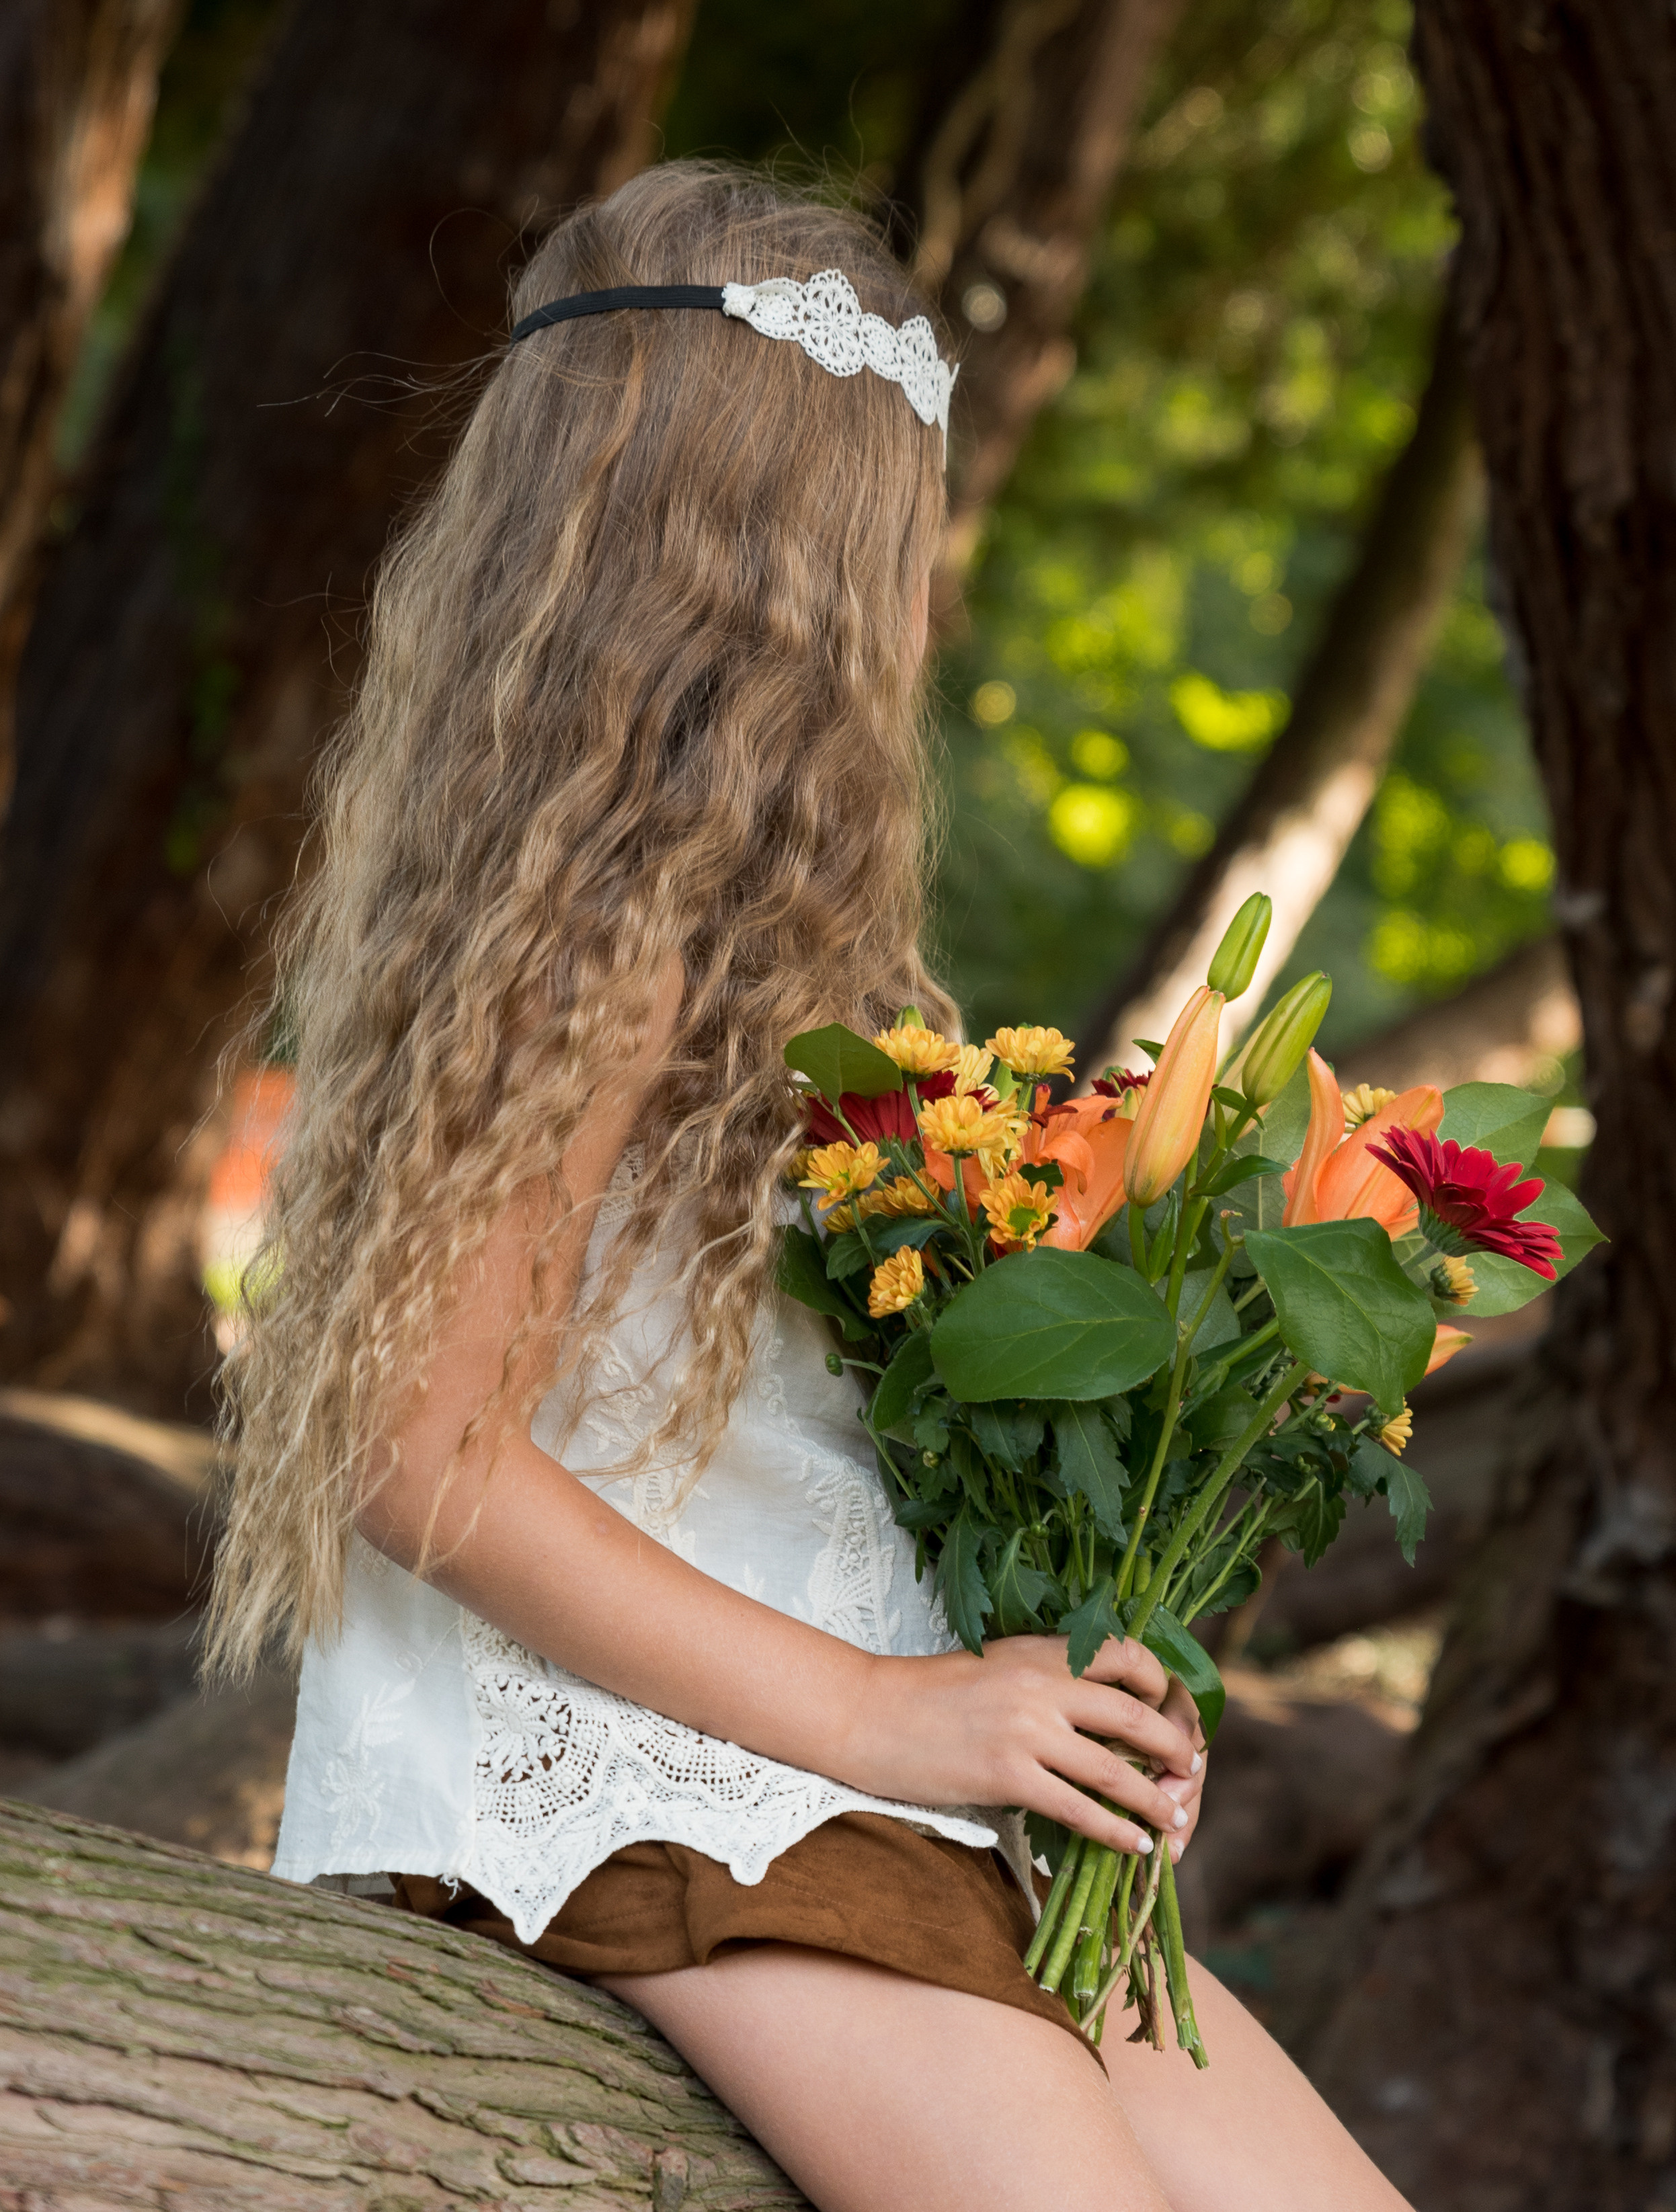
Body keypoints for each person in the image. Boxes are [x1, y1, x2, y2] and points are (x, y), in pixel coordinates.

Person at [207, 160, 1412, 2212]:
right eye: (901, 512)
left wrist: (1047, 1697)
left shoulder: (748, 940)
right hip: (634, 1792)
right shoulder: (604, 929)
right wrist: (892, 1709)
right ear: (800, 541)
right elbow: (414, 1449)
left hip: (859, 1804)